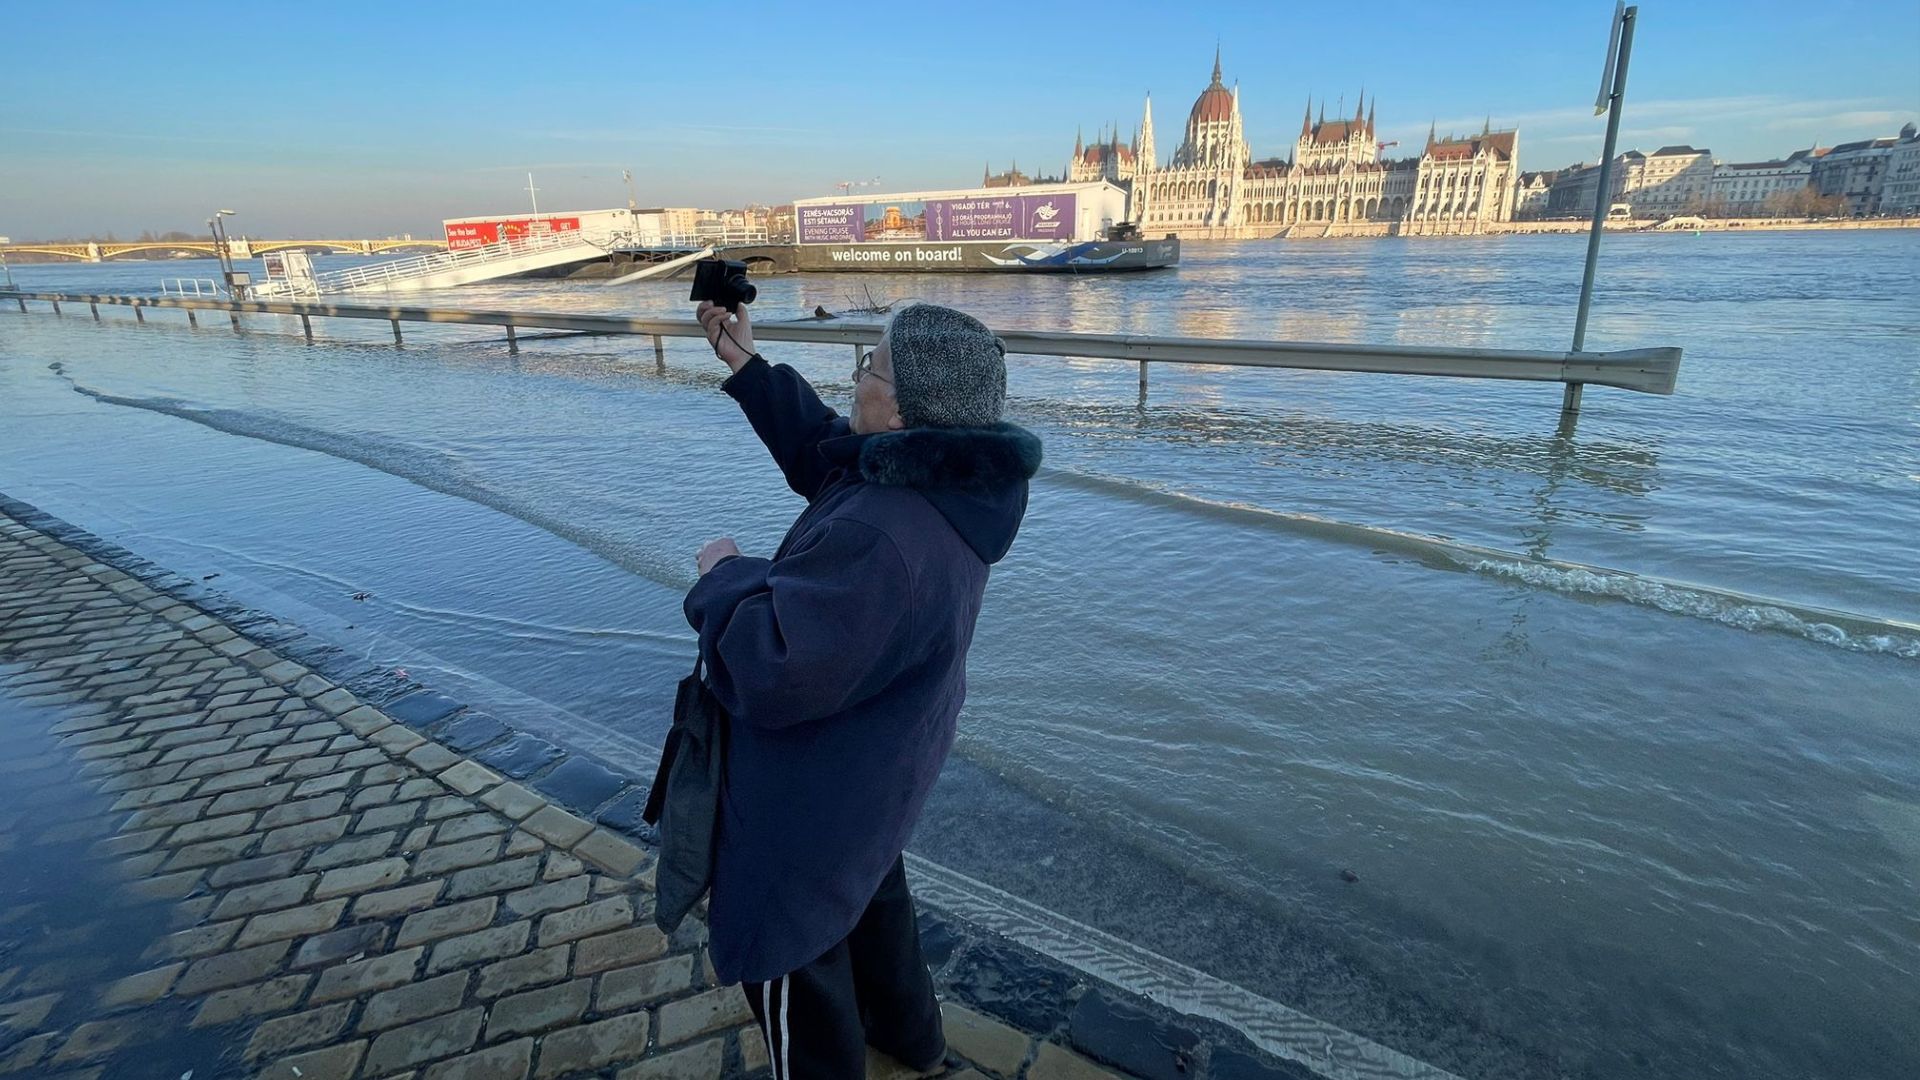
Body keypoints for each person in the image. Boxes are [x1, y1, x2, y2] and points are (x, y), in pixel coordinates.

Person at [688, 297, 1041, 1079]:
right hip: (876, 769)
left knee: (794, 952)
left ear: (909, 405)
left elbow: (772, 666)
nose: (857, 374)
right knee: (873, 901)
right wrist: (747, 366)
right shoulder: (952, 483)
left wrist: (723, 579)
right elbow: (829, 455)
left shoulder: (881, 533)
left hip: (810, 797)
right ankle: (913, 1049)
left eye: (871, 365)